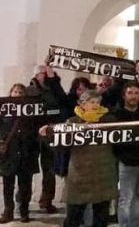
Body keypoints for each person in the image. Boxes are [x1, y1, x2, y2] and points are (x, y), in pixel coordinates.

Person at [39, 90, 118, 227]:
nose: (95, 105)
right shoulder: (72, 122)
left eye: (98, 102)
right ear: (82, 104)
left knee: (101, 216)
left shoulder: (109, 121)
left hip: (103, 173)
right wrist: (47, 135)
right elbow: (59, 145)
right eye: (91, 102)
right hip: (79, 174)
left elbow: (129, 134)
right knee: (73, 215)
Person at [27, 64, 67, 214]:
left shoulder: (55, 89)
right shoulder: (29, 90)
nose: (46, 75)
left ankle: (47, 200)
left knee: (49, 168)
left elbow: (64, 103)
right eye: (44, 73)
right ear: (37, 76)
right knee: (27, 168)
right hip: (32, 134)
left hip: (50, 133)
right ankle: (23, 199)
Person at [114, 81, 139, 227]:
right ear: (124, 95)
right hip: (127, 164)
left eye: (137, 93)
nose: (133, 96)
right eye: (130, 93)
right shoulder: (117, 114)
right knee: (126, 199)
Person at [0, 84, 39, 223]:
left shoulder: (30, 110)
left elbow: (36, 129)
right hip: (9, 153)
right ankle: (8, 212)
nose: (17, 94)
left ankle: (24, 211)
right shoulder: (3, 109)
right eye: (14, 91)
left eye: (20, 92)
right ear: (10, 93)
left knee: (25, 186)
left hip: (26, 152)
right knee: (8, 186)